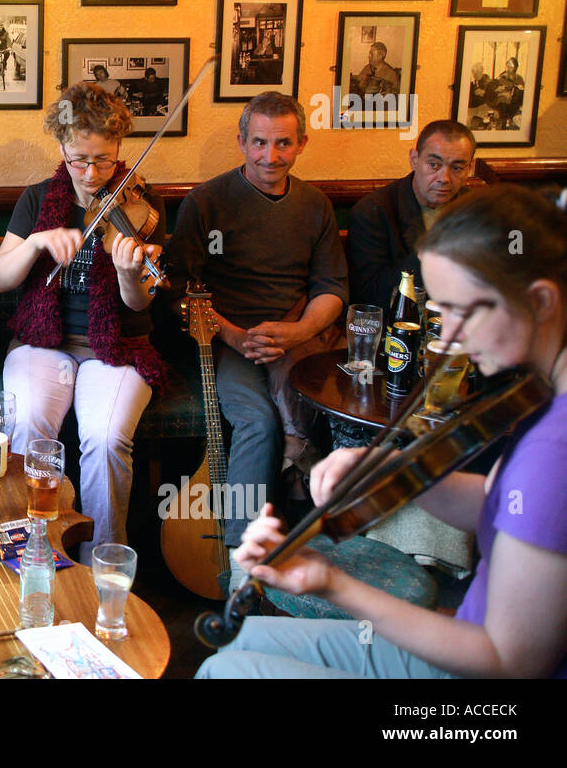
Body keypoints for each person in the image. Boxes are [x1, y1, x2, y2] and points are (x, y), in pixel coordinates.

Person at [199, 184, 567, 678]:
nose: (449, 335)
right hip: (466, 635)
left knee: (224, 674)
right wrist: (390, 470)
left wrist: (333, 583)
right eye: (441, 310)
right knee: (240, 642)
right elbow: (507, 503)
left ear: (541, 300)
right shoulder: (540, 398)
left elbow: (507, 662)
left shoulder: (554, 448)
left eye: (463, 310)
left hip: (479, 671)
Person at [166, 93, 349, 591]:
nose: (271, 156)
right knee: (257, 420)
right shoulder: (205, 201)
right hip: (227, 340)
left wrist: (299, 331)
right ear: (242, 142)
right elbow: (178, 291)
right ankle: (243, 561)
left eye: (284, 143)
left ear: (301, 144)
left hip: (300, 334)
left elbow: (331, 288)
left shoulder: (316, 205)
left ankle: (330, 551)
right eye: (260, 143)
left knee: (339, 415)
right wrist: (233, 334)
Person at [0, 83, 166, 554]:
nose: (90, 174)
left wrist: (130, 275)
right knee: (26, 426)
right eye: (78, 160)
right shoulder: (37, 198)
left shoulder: (141, 206)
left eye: (104, 160)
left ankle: (100, 563)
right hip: (43, 344)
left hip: (117, 346)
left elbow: (141, 304)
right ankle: (33, 550)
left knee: (106, 441)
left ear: (119, 149)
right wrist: (36, 243)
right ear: (61, 148)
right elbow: (0, 281)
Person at [347, 120, 476, 313]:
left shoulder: (476, 208)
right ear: (414, 159)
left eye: (457, 168)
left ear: (470, 167)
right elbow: (370, 297)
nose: (444, 178)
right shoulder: (374, 211)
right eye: (434, 165)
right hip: (399, 327)